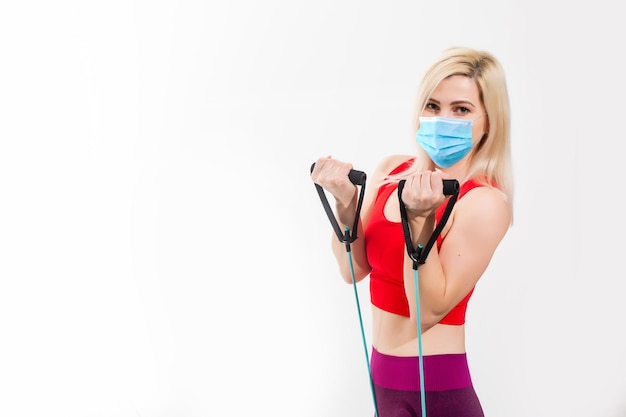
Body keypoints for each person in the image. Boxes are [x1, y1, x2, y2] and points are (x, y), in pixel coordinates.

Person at [310, 46, 513, 416]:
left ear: (489, 121)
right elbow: (351, 270)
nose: (441, 119)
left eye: (461, 109)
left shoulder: (483, 202)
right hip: (383, 388)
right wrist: (344, 203)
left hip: (440, 395)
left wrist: (420, 220)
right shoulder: (390, 170)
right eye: (433, 106)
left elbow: (428, 310)